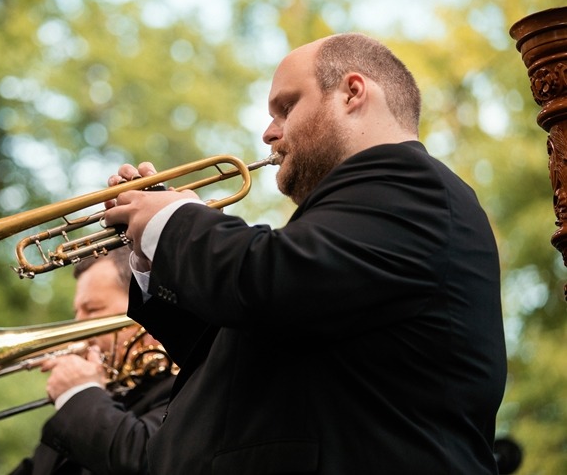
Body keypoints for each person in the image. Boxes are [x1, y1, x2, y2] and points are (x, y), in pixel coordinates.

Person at [103, 33, 507, 474]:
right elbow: (243, 343)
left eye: (286, 107)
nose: (269, 132)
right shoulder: (360, 213)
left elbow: (269, 282)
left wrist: (173, 222)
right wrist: (150, 252)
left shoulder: (411, 183)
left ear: (353, 92)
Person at [0, 247, 175, 475]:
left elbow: (151, 461)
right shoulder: (79, 409)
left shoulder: (183, 387)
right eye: (76, 313)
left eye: (92, 310)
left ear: (145, 309)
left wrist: (79, 393)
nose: (77, 329)